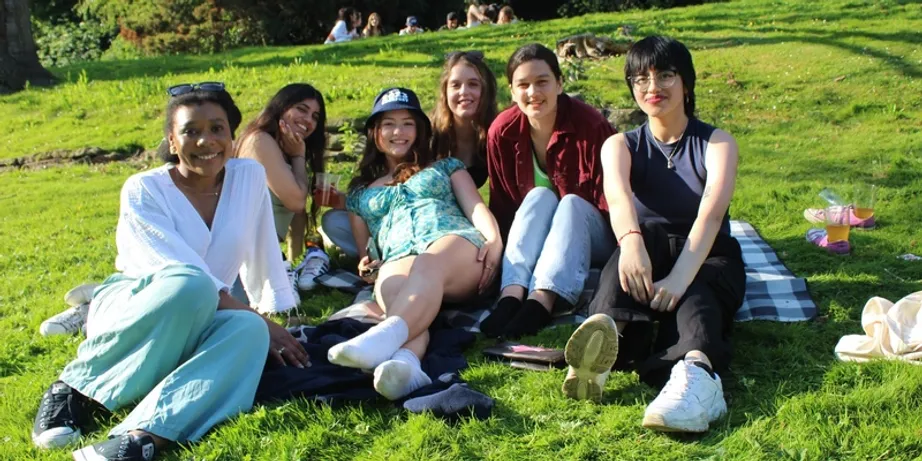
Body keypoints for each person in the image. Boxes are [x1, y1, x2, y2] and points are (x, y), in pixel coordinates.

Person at [31, 83, 308, 461]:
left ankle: (141, 438)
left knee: (246, 331)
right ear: (172, 142)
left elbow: (262, 247)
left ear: (231, 136)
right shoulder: (143, 189)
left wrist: (274, 311)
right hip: (140, 308)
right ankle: (74, 388)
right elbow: (182, 272)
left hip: (211, 311)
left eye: (217, 129)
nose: (206, 141)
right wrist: (262, 321)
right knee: (193, 287)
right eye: (191, 131)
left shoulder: (248, 177)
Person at [561, 36, 745, 434]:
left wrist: (680, 276)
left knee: (698, 296)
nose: (652, 87)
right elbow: (619, 197)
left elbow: (711, 217)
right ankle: (601, 347)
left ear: (687, 83)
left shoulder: (717, 143)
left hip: (707, 251)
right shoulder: (619, 144)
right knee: (623, 269)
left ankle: (696, 373)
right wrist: (630, 243)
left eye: (665, 75)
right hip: (647, 243)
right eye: (641, 78)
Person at [327, 88, 502, 401]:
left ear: (420, 130)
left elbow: (475, 206)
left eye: (408, 123)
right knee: (394, 288)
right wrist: (366, 267)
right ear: (375, 133)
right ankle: (404, 367)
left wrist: (494, 239)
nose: (398, 132)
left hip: (455, 245)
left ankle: (380, 339)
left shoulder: (446, 167)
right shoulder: (360, 194)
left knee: (427, 263)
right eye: (389, 124)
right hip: (398, 257)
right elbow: (366, 250)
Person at [481, 43, 617, 339]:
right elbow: (503, 203)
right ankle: (511, 296)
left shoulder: (591, 126)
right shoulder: (502, 132)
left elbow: (613, 202)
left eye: (542, 82)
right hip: (539, 241)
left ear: (559, 83)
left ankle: (542, 301)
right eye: (523, 85)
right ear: (512, 91)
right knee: (538, 196)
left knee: (570, 203)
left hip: (596, 236)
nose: (533, 93)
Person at [235, 84, 341, 292]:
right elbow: (296, 201)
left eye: (315, 116)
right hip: (243, 257)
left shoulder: (280, 148)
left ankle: (288, 270)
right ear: (281, 107)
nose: (308, 120)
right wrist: (298, 156)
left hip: (264, 250)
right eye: (301, 109)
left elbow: (298, 212)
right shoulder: (260, 141)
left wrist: (294, 259)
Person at [431, 51, 498, 188]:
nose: (464, 92)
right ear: (445, 92)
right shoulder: (429, 134)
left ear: (485, 90)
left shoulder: (496, 134)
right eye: (455, 85)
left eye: (473, 84)